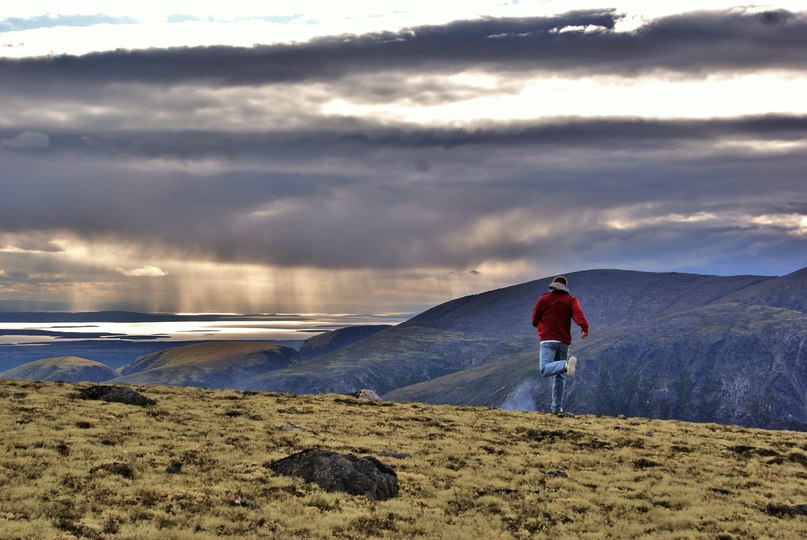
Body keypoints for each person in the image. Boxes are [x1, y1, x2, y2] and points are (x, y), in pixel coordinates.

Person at [531, 275, 589, 416]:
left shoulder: (543, 299)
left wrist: (544, 325)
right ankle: (556, 409)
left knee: (545, 369)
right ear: (565, 287)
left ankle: (565, 364)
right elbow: (578, 314)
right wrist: (584, 328)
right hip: (563, 341)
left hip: (547, 341)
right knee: (560, 377)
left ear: (552, 286)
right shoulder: (570, 300)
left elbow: (534, 321)